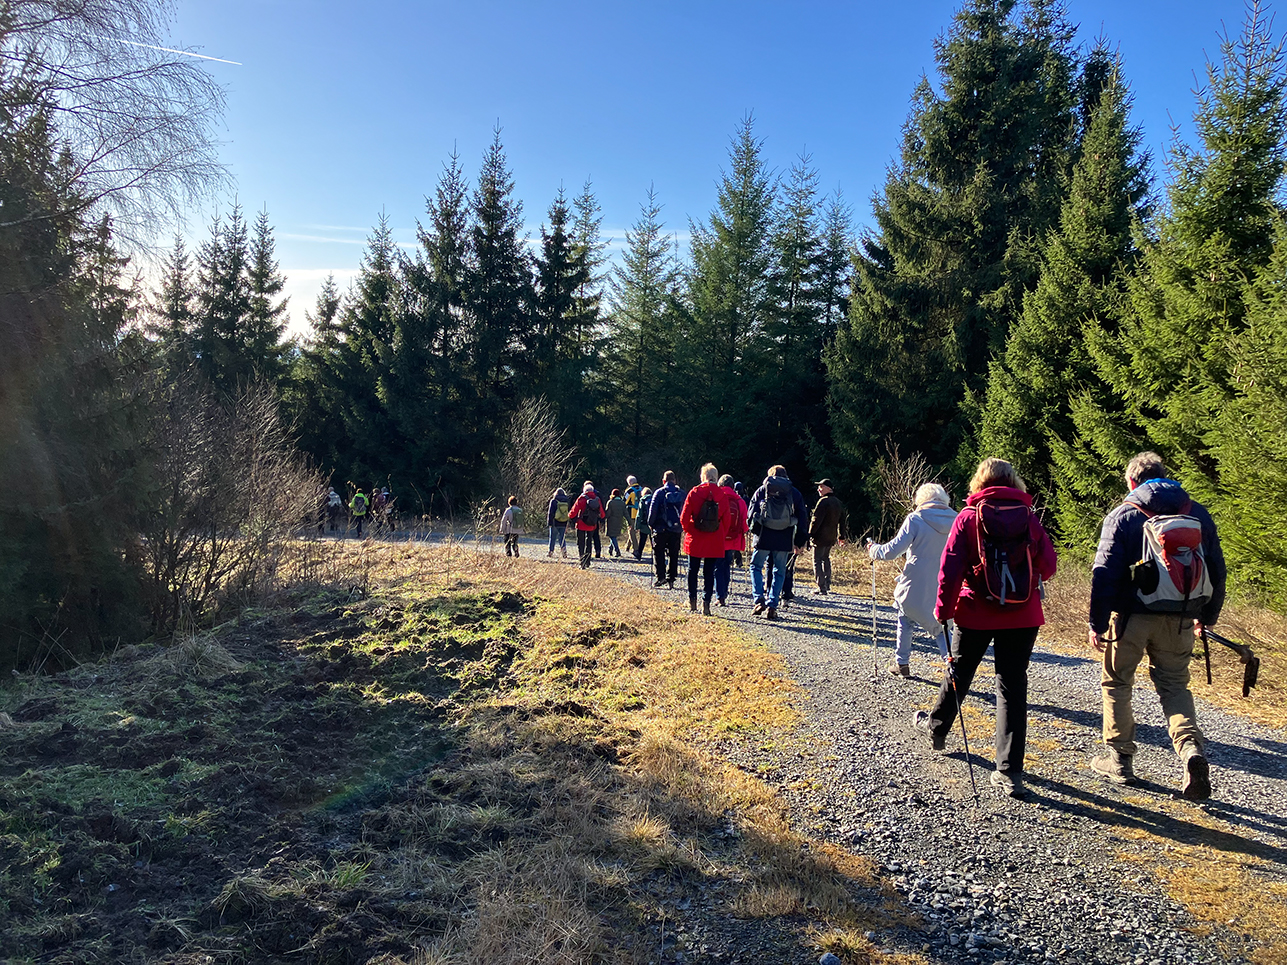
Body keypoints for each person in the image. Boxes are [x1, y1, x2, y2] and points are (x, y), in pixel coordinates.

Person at [1087, 452, 1227, 800]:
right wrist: (1206, 617)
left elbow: (1103, 573)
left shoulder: (1123, 514)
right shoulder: (1196, 513)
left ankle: (1120, 760)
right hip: (1181, 615)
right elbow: (1217, 568)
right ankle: (1191, 751)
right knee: (1174, 686)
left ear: (1132, 483)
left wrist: (1097, 623)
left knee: (1117, 682)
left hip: (1132, 618)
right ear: (1165, 476)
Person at [916, 458, 1057, 799]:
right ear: (1014, 483)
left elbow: (950, 570)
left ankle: (937, 729)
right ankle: (1009, 772)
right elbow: (1049, 566)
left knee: (960, 672)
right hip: (1022, 616)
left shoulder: (969, 517)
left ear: (979, 483)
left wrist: (943, 611)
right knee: (1011, 687)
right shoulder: (1029, 518)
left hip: (975, 611)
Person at [867, 483, 957, 676]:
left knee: (906, 615)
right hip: (946, 580)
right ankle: (952, 666)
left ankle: (902, 663)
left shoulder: (915, 519)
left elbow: (891, 551)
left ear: (921, 500)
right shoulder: (957, 520)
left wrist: (874, 549)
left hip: (916, 579)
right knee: (942, 626)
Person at [746, 466, 808, 621]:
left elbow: (751, 512)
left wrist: (754, 530)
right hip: (784, 536)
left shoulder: (763, 489)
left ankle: (759, 599)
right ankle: (773, 605)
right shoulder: (793, 492)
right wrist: (800, 540)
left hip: (764, 536)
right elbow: (802, 516)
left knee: (756, 566)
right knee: (779, 570)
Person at [681, 464, 732, 615]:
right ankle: (706, 604)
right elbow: (727, 520)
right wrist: (719, 535)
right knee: (709, 572)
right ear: (716, 477)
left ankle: (692, 602)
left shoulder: (694, 492)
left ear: (702, 477)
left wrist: (691, 530)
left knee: (692, 570)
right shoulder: (722, 495)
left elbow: (684, 518)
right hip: (714, 540)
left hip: (695, 538)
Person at [808, 478, 849, 595]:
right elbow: (843, 521)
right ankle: (827, 583)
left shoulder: (823, 502)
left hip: (820, 537)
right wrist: (842, 536)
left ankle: (821, 587)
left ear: (828, 488)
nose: (819, 489)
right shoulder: (838, 502)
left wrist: (810, 534)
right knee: (825, 559)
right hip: (831, 537)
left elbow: (815, 520)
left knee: (817, 560)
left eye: (821, 487)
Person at [647, 471, 686, 588]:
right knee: (673, 554)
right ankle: (671, 579)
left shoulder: (659, 493)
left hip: (660, 529)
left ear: (664, 481)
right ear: (675, 481)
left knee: (658, 553)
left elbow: (653, 510)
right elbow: (685, 511)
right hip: (676, 529)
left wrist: (651, 524)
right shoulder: (682, 493)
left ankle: (661, 577)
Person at [716, 473, 747, 606]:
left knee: (717, 567)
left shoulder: (716, 497)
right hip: (732, 538)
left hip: (717, 537)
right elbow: (744, 521)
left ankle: (720, 596)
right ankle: (724, 593)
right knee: (727, 565)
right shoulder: (739, 500)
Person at [569, 482, 605, 569]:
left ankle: (582, 562)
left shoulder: (582, 498)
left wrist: (571, 517)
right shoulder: (597, 499)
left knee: (581, 543)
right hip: (592, 525)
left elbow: (573, 512)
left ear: (584, 491)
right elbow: (603, 514)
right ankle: (587, 561)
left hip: (581, 524)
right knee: (589, 543)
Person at [547, 488, 572, 558]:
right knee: (562, 538)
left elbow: (550, 513)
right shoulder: (567, 501)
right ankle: (564, 552)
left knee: (552, 538)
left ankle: (550, 552)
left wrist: (549, 523)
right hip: (564, 522)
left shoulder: (554, 501)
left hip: (555, 522)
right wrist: (568, 522)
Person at [624, 475, 644, 556]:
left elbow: (624, 501)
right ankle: (627, 547)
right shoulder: (642, 489)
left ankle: (636, 549)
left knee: (631, 530)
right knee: (633, 530)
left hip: (631, 513)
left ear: (629, 483)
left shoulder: (629, 490)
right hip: (641, 513)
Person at [605, 488, 627, 557]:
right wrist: (630, 523)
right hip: (619, 521)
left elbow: (608, 513)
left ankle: (617, 551)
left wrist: (603, 517)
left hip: (611, 521)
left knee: (612, 536)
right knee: (613, 536)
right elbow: (626, 514)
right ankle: (610, 549)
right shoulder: (622, 503)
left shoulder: (610, 502)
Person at [633, 487, 654, 561]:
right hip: (653, 524)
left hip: (644, 524)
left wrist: (637, 526)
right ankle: (656, 556)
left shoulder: (642, 500)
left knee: (642, 540)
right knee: (653, 541)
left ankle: (639, 554)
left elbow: (639, 514)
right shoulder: (655, 498)